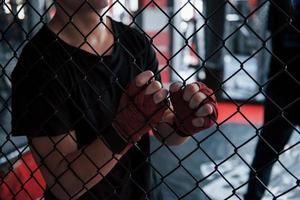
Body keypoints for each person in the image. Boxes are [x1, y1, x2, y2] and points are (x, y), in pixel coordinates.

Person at [11, 0, 218, 199]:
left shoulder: (135, 42)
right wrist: (124, 129)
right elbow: (65, 186)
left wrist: (184, 121)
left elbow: (164, 131)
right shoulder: (39, 64)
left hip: (144, 190)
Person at [244, 0, 300, 199]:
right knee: (265, 154)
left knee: (265, 155)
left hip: (281, 86)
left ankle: (252, 196)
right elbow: (262, 33)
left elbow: (261, 34)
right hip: (281, 87)